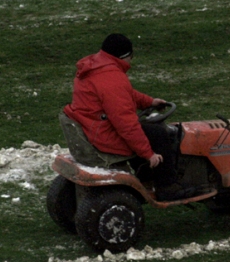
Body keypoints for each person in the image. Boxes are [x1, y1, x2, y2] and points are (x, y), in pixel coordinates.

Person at [63, 33, 186, 201]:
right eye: (131, 57)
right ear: (125, 56)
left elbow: (123, 95)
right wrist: (149, 154)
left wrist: (150, 101)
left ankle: (146, 176)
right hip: (103, 135)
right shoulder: (112, 78)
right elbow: (126, 124)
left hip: (92, 126)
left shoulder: (97, 68)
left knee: (147, 129)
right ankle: (168, 187)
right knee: (158, 134)